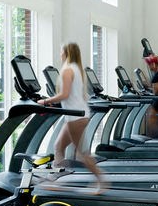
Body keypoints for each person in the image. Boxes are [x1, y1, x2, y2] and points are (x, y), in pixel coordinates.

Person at [38, 42, 108, 192]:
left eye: (61, 51)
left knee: (81, 154)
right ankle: (56, 181)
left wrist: (45, 101)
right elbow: (78, 95)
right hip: (77, 114)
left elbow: (65, 94)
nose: (60, 54)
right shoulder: (77, 69)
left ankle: (102, 182)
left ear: (66, 53)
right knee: (58, 146)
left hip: (75, 117)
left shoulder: (67, 70)